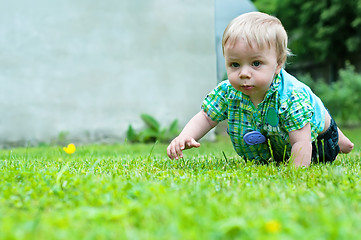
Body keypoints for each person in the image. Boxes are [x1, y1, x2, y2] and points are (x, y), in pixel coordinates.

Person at [167, 12, 354, 167]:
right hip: (286, 127)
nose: (244, 73)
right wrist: (185, 136)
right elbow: (207, 116)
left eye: (256, 63)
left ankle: (340, 141)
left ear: (278, 63)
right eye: (234, 64)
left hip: (315, 138)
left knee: (328, 136)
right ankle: (342, 140)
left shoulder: (290, 98)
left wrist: (296, 174)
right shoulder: (228, 92)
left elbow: (300, 141)